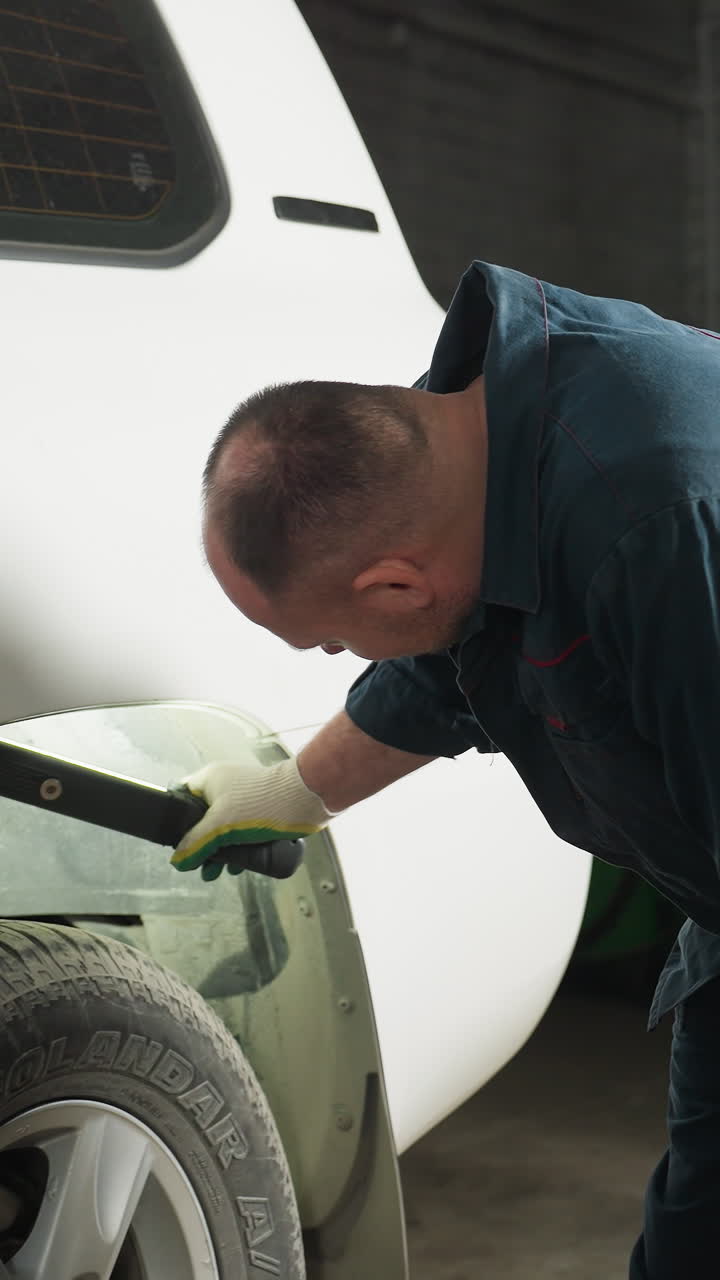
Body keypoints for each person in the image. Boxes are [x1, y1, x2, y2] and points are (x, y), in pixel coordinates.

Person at [172, 260, 720, 1277]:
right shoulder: (474, 450)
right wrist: (290, 789)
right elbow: (447, 663)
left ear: (389, 581)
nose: (350, 659)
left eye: (334, 640)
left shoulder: (657, 529)